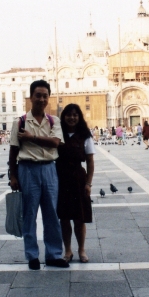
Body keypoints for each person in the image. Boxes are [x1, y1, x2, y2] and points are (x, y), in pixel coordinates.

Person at [9, 80, 69, 270]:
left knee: (52, 213)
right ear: (31, 97)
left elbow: (55, 142)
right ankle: (32, 255)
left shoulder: (54, 121)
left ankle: (53, 254)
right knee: (29, 214)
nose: (42, 99)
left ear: (48, 98)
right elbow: (13, 150)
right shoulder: (19, 122)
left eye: (45, 96)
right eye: (38, 95)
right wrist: (13, 176)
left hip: (49, 168)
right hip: (27, 169)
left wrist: (31, 138)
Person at [56, 104, 95, 263]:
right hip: (61, 179)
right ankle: (68, 250)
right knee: (64, 218)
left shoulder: (85, 135)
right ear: (63, 117)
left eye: (75, 115)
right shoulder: (57, 134)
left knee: (80, 217)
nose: (72, 118)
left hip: (78, 179)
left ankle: (81, 249)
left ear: (79, 117)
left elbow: (90, 162)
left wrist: (88, 184)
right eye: (68, 115)